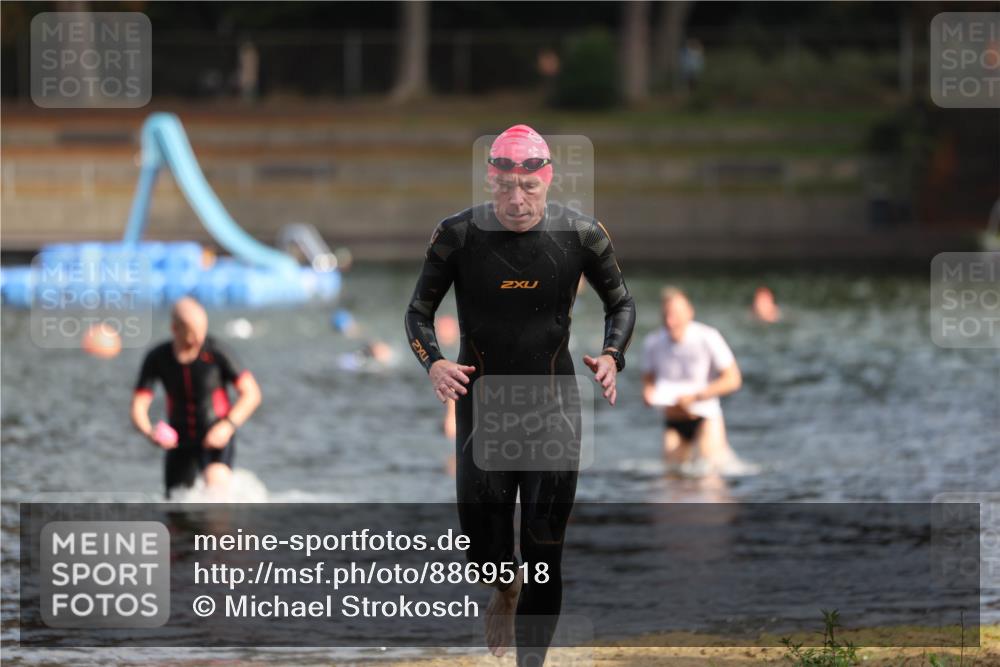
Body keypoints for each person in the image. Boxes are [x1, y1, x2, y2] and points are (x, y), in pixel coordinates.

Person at [404, 124, 635, 665]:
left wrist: (612, 356)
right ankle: (503, 589)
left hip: (554, 410)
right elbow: (418, 312)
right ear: (491, 180)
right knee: (485, 556)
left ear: (548, 181)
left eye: (528, 189)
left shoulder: (582, 234)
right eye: (505, 187)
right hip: (482, 410)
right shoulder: (456, 235)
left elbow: (620, 304)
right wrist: (434, 363)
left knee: (545, 550)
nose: (516, 200)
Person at [131, 297, 261, 497]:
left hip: (216, 437)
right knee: (175, 507)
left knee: (216, 495)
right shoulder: (158, 358)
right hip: (179, 442)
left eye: (202, 331)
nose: (199, 340)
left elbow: (251, 394)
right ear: (175, 329)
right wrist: (150, 432)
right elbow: (138, 406)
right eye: (192, 334)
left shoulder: (218, 352)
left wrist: (227, 426)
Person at [641, 287, 743, 473]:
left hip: (705, 417)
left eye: (676, 315)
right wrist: (648, 392)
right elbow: (648, 378)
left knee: (709, 481)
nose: (671, 322)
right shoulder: (653, 342)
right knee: (670, 482)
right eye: (666, 316)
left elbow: (733, 379)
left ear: (689, 313)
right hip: (673, 420)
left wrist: (696, 397)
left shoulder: (707, 337)